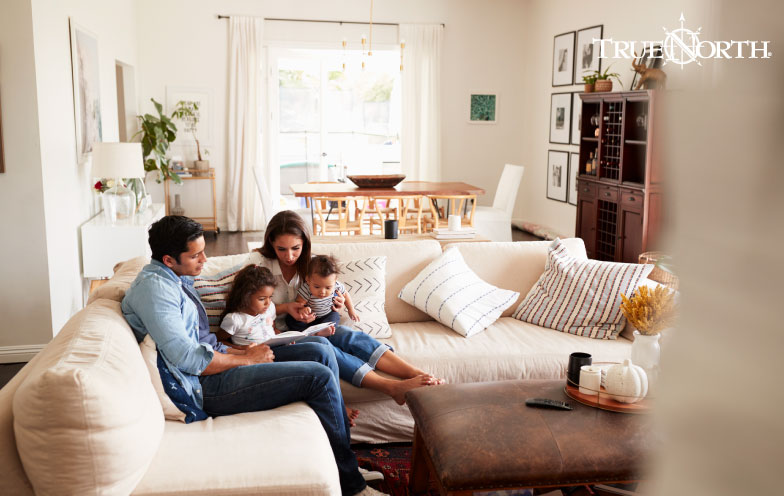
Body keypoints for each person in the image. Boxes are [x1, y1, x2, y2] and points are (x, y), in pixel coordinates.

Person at [121, 215, 384, 496]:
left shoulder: (173, 277)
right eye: (196, 255)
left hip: (218, 360)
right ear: (169, 259)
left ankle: (343, 464)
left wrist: (242, 349)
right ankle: (354, 486)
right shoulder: (156, 291)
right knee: (317, 378)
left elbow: (202, 344)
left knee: (320, 349)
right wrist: (247, 359)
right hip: (202, 387)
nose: (205, 260)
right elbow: (189, 359)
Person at [255, 210, 444, 405]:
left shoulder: (311, 265)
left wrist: (335, 304)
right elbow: (248, 308)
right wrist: (287, 307)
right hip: (278, 337)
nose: (290, 256)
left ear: (304, 242)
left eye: (296, 248)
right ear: (271, 243)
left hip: (311, 328)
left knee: (347, 334)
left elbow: (332, 290)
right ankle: (392, 388)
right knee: (326, 347)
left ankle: (418, 374)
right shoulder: (260, 267)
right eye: (281, 249)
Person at [219, 264, 361, 428]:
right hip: (259, 358)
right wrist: (243, 350)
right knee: (318, 357)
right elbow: (219, 341)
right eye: (262, 299)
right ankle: (337, 408)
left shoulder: (269, 308)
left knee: (323, 345)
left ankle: (337, 403)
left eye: (270, 297)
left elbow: (270, 329)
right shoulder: (235, 319)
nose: (268, 303)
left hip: (277, 348)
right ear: (245, 296)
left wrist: (282, 336)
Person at [285, 255, 359, 332]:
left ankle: (323, 331)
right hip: (309, 317)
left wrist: (351, 309)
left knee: (334, 317)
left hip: (326, 315)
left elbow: (345, 295)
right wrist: (303, 309)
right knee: (290, 319)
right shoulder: (306, 288)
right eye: (317, 287)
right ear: (308, 280)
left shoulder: (337, 286)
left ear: (335, 280)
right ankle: (305, 333)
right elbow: (299, 302)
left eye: (328, 288)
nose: (322, 292)